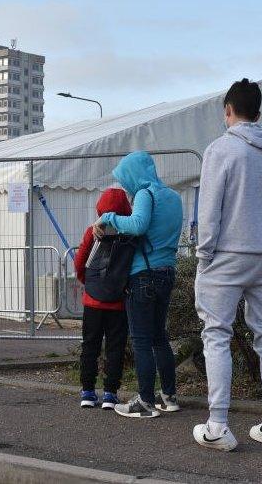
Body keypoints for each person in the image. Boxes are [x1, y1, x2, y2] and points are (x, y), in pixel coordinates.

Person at [192, 79, 262, 451]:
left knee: (216, 334)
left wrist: (204, 256)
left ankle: (218, 424)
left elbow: (210, 209)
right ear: (258, 112)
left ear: (228, 111)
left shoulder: (221, 150)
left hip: (228, 256)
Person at [94, 153, 185, 418]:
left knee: (142, 341)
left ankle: (144, 402)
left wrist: (108, 217)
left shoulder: (146, 194)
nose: (125, 186)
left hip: (143, 275)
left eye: (125, 179)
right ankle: (169, 396)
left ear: (134, 174)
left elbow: (138, 225)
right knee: (159, 338)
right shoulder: (173, 197)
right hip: (167, 272)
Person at [73, 188, 133, 409]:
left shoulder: (93, 231)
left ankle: (88, 392)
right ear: (126, 209)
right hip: (118, 301)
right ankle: (110, 393)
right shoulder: (129, 233)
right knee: (115, 348)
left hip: (93, 301)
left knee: (90, 346)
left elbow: (80, 262)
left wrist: (88, 283)